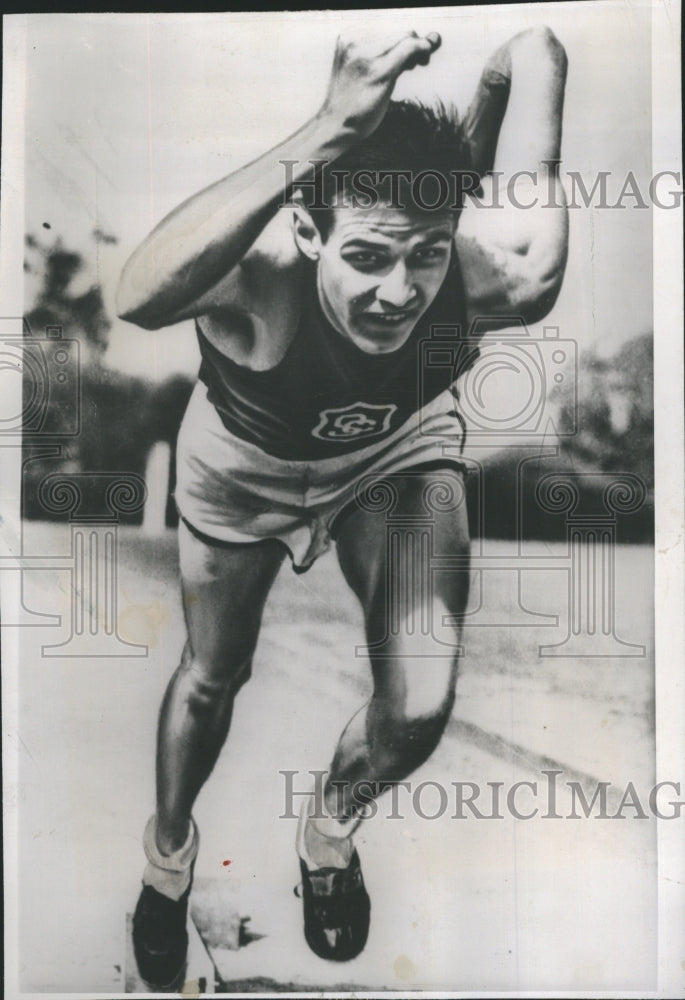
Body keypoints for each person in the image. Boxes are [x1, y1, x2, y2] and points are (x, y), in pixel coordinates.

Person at [117, 25, 568, 989]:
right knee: (212, 678)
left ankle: (327, 838)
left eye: (426, 257)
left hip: (391, 457)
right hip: (241, 466)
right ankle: (166, 862)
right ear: (311, 231)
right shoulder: (262, 278)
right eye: (365, 257)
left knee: (422, 703)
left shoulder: (501, 277)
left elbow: (535, 53)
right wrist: (326, 129)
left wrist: (513, 67)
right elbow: (139, 294)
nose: (397, 292)